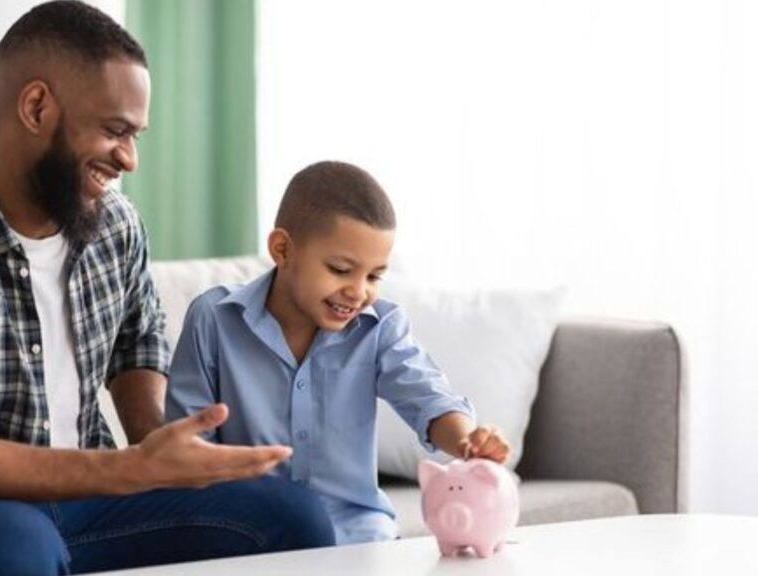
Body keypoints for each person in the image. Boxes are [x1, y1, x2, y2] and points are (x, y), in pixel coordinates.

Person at [0, 2, 335, 574]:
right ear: (36, 106)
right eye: (115, 131)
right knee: (13, 544)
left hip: (84, 507)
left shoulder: (115, 227)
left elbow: (136, 345)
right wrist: (127, 469)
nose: (130, 159)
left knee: (296, 517)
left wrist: (163, 450)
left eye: (136, 134)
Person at [165, 160, 512, 544]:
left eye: (375, 275)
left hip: (358, 535)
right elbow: (187, 448)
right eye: (341, 269)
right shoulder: (214, 319)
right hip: (250, 531)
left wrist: (467, 441)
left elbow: (428, 397)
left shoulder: (380, 328)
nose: (359, 291)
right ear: (282, 249)